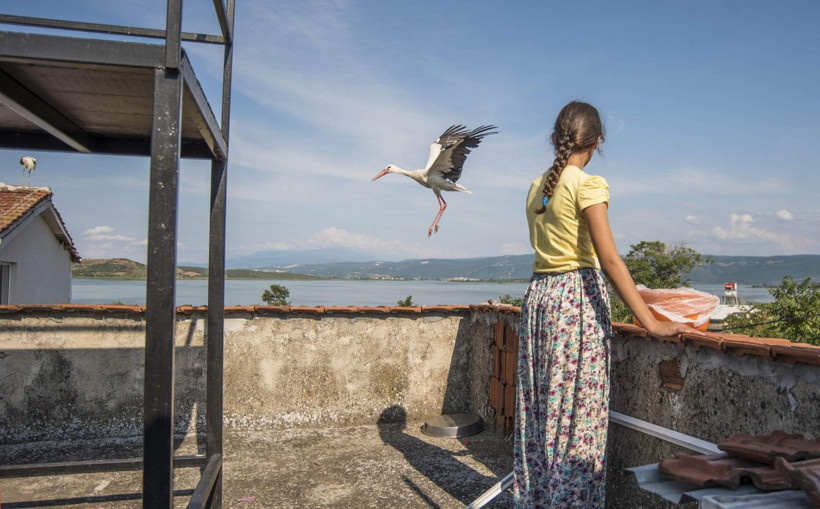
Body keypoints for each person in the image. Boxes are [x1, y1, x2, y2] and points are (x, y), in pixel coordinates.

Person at [513, 101, 704, 508]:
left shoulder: (536, 185)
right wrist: (650, 321)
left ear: (556, 137)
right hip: (574, 303)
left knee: (540, 415)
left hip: (540, 301)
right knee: (575, 422)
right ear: (598, 141)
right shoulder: (588, 184)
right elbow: (611, 259)